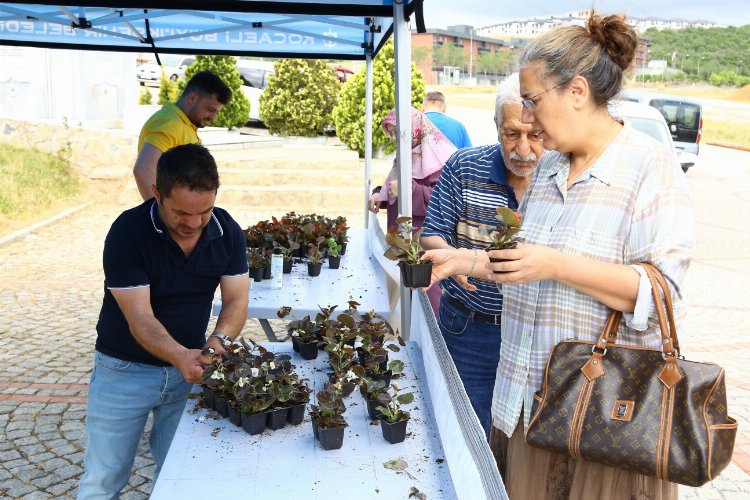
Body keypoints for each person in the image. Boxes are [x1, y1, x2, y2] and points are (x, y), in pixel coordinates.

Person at [421, 13, 694, 499]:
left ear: (577, 92)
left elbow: (663, 293)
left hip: (598, 420)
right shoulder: (549, 168)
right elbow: (527, 262)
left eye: (532, 100)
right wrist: (464, 262)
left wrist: (557, 265)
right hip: (523, 406)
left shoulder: (648, 165)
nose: (526, 117)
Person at [78, 144, 250, 499]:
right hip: (123, 371)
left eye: (204, 211)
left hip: (189, 369)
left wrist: (217, 343)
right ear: (156, 192)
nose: (193, 223)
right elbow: (139, 318)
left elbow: (236, 300)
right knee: (104, 479)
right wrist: (179, 356)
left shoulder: (226, 229)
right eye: (181, 213)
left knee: (179, 477)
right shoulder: (129, 232)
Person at [419, 73, 543, 438]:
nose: (523, 150)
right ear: (495, 126)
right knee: (467, 431)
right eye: (511, 134)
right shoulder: (463, 166)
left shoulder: (559, 181)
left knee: (522, 439)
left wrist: (463, 260)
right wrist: (453, 258)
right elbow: (432, 235)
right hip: (469, 329)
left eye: (534, 135)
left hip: (532, 336)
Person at [367, 108, 457, 313]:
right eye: (389, 133)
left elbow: (443, 200)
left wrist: (408, 190)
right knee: (407, 297)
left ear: (413, 130)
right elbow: (393, 184)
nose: (392, 139)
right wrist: (379, 194)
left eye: (395, 133)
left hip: (426, 242)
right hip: (405, 241)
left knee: (429, 296)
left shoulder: (444, 160)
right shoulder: (405, 156)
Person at [133, 70, 232, 201]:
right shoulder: (170, 123)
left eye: (216, 112)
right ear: (192, 98)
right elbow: (143, 170)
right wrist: (161, 216)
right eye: (211, 110)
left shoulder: (181, 123)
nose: (213, 117)